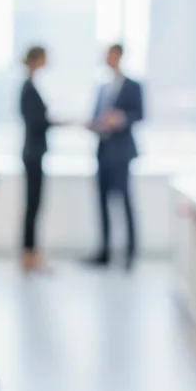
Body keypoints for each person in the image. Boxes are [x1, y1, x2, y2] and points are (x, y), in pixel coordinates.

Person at [86, 43, 144, 270]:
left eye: (111, 56)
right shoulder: (102, 87)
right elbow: (95, 115)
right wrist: (95, 123)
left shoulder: (133, 85)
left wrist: (120, 119)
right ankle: (104, 252)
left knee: (125, 201)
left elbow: (139, 114)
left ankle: (130, 253)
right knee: (101, 202)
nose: (107, 60)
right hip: (102, 150)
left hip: (122, 153)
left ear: (120, 57)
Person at [19, 45, 54, 273]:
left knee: (35, 205)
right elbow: (36, 121)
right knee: (32, 205)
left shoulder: (30, 86)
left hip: (35, 152)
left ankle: (32, 252)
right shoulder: (28, 88)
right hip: (32, 153)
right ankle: (29, 254)